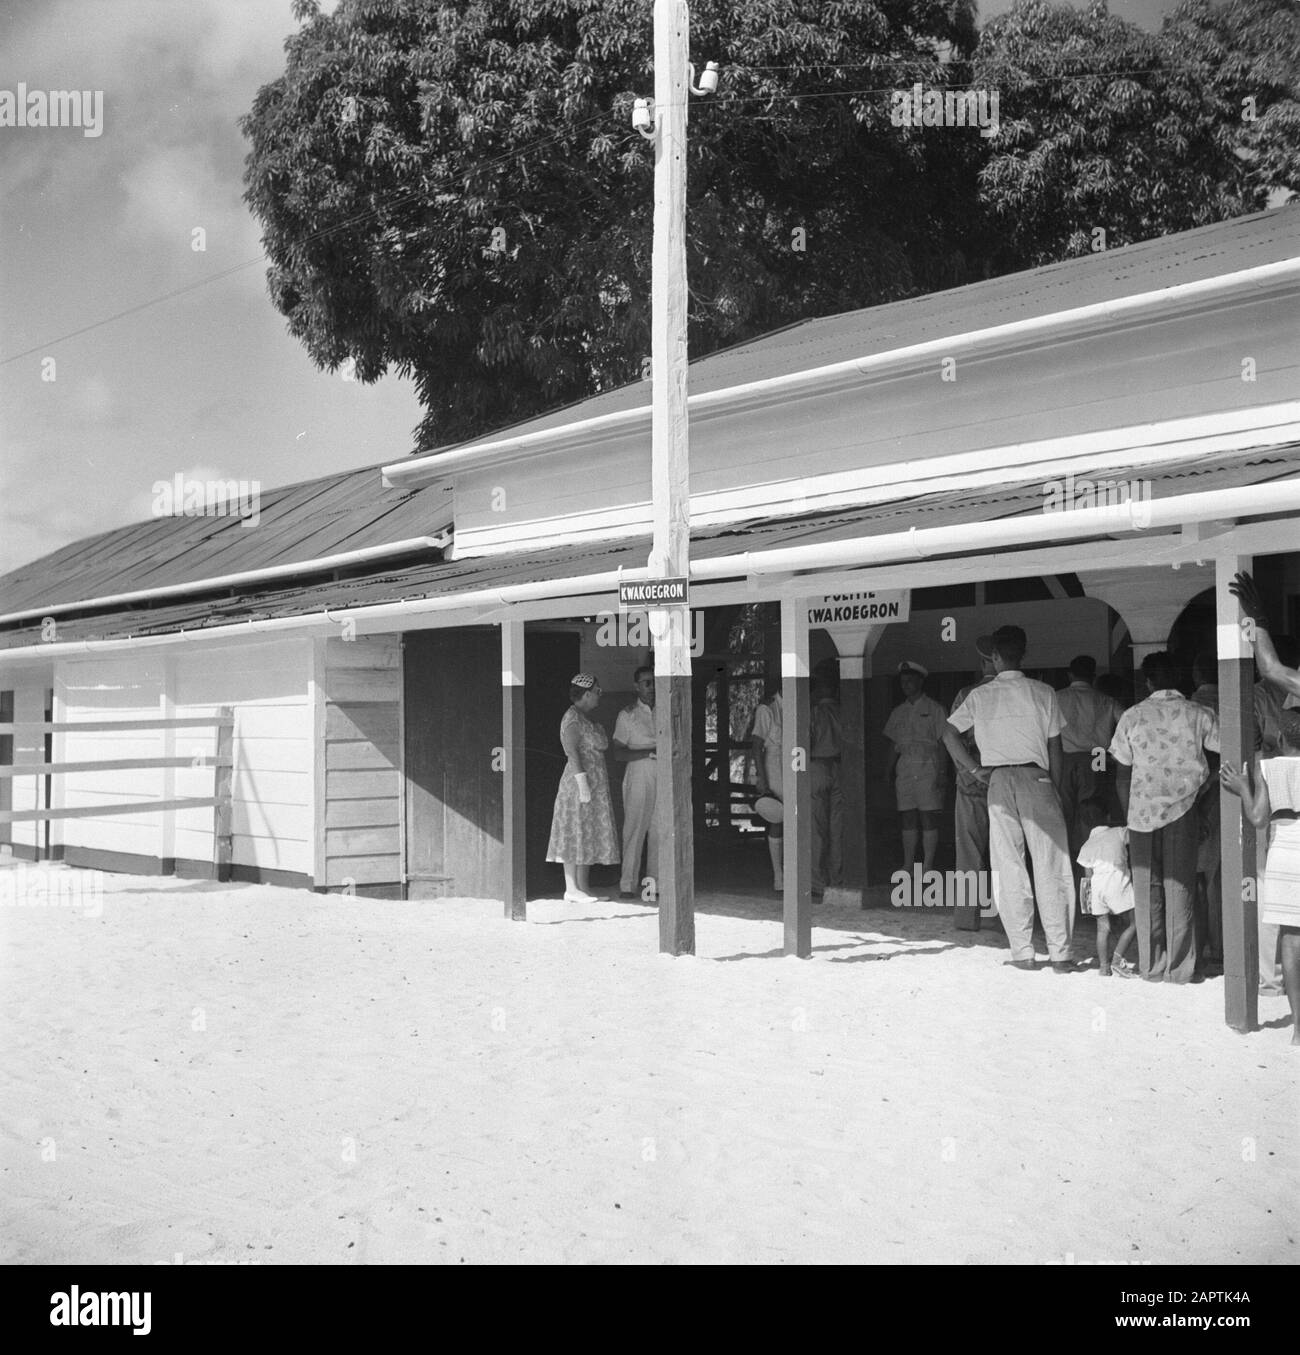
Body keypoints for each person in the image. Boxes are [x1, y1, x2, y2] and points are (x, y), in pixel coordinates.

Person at [943, 625, 1083, 973]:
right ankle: (1061, 954)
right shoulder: (1044, 691)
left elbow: (948, 734)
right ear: (1024, 652)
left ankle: (1023, 952)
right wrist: (1056, 787)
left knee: (1009, 866)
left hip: (998, 780)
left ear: (994, 657)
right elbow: (1056, 747)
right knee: (1052, 864)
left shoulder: (979, 695)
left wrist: (975, 770)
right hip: (1038, 777)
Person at [1109, 652, 1219, 984]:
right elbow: (1227, 750)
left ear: (1148, 681)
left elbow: (1121, 771)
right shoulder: (1199, 713)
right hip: (1184, 810)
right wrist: (1205, 787)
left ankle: (1151, 966)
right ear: (1180, 678)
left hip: (1141, 813)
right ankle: (1180, 969)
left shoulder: (1132, 716)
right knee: (1180, 886)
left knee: (1146, 889)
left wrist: (1125, 811)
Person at [1229, 573, 1300, 995]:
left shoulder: (1275, 765)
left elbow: (1270, 667)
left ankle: (1296, 1026)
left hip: (1286, 835)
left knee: (1290, 927)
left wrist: (1256, 618)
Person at [1221, 709, 1300, 1045]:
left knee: (1290, 937)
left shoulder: (1268, 767)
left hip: (1284, 850)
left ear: (1280, 738)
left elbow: (1257, 819)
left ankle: (1298, 1028)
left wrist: (1242, 788)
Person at [546, 673, 619, 902]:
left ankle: (583, 886)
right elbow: (572, 752)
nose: (599, 696)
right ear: (586, 694)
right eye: (597, 692)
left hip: (595, 785)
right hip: (579, 785)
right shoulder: (572, 719)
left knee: (587, 831)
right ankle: (571, 888)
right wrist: (582, 783)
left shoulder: (585, 718)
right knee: (574, 830)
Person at [1056, 655, 1123, 874]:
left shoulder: (1057, 698)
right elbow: (1125, 724)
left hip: (1065, 757)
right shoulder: (1106, 700)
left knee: (1064, 813)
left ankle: (1067, 870)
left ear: (1070, 674)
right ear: (1093, 676)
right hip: (1097, 756)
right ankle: (1091, 869)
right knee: (1093, 814)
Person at [948, 635, 996, 931]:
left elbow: (952, 737)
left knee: (969, 849)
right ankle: (1002, 917)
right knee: (1006, 851)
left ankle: (967, 918)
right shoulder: (1018, 691)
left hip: (972, 777)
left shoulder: (967, 693)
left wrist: (969, 770)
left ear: (983, 662)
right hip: (1005, 777)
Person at [884, 661, 947, 875]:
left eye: (911, 680)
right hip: (905, 766)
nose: (906, 685)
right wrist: (887, 771)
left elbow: (942, 744)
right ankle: (908, 864)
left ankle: (928, 866)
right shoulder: (898, 711)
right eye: (903, 681)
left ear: (921, 681)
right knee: (907, 815)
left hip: (928, 765)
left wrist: (942, 773)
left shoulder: (935, 709)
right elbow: (893, 745)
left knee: (928, 815)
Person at [1076, 796, 1138, 978]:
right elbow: (1136, 836)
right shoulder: (1119, 832)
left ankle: (1103, 968)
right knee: (1135, 924)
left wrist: (1088, 903)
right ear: (1108, 816)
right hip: (1116, 883)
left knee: (1102, 928)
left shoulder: (1086, 846)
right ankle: (1118, 961)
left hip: (1097, 888)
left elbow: (1087, 877)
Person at [1189, 652, 1223, 974]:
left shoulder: (1191, 709)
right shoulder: (1239, 697)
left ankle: (1205, 949)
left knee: (1200, 878)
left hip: (1201, 799)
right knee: (1224, 878)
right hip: (1234, 792)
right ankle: (1223, 947)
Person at [612, 665, 658, 900]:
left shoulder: (666, 710)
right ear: (636, 686)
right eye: (646, 682)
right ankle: (628, 884)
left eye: (654, 681)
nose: (651, 687)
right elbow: (618, 752)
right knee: (635, 826)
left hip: (663, 772)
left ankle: (654, 884)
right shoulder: (627, 714)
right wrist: (647, 752)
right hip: (639, 772)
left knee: (660, 828)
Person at [809, 674, 844, 894]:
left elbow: (807, 740)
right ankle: (837, 879)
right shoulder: (844, 711)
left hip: (817, 766)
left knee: (816, 827)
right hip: (841, 767)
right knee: (838, 827)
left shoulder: (813, 713)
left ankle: (817, 882)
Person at [751, 685, 785, 892]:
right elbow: (756, 746)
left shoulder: (798, 701)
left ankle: (792, 871)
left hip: (794, 762)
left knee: (795, 818)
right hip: (774, 765)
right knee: (778, 817)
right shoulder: (767, 708)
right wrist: (761, 777)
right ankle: (778, 876)